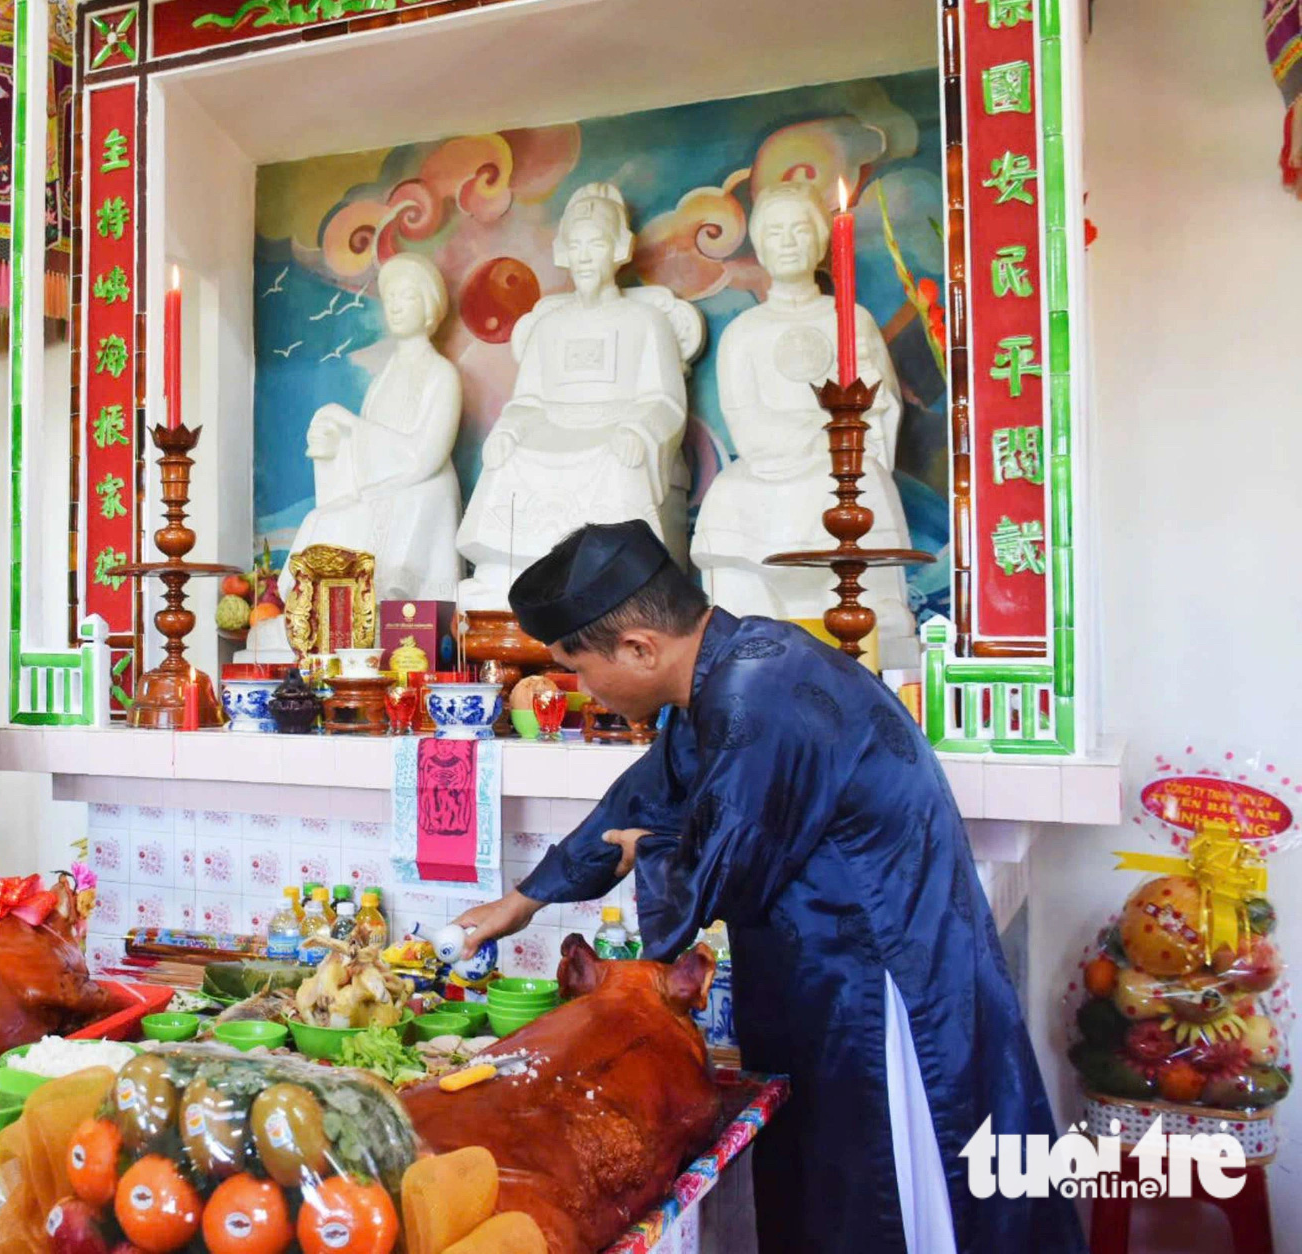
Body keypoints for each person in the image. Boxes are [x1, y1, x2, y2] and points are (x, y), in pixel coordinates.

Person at [450, 519, 1082, 1254]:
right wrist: (522, 901)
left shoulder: (761, 692)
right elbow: (646, 797)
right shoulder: (730, 668)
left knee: (881, 1194)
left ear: (639, 648)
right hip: (818, 972)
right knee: (818, 1186)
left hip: (878, 981)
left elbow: (724, 868)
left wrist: (648, 854)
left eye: (580, 669)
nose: (582, 689)